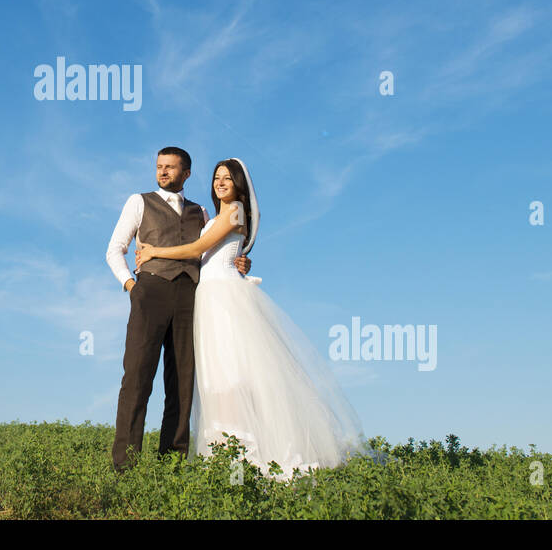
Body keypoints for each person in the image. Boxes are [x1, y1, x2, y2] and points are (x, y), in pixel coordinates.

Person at [135, 158, 372, 479]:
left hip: (225, 298)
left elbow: (198, 247)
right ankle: (224, 454)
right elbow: (210, 252)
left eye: (228, 180)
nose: (220, 183)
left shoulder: (234, 212)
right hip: (208, 296)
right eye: (217, 177)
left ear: (238, 186)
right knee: (216, 379)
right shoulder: (216, 214)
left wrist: (154, 252)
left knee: (235, 375)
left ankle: (248, 456)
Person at [106, 147, 250, 472]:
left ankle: (171, 466)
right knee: (138, 376)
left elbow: (212, 248)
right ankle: (124, 467)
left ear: (186, 174)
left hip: (190, 297)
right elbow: (115, 250)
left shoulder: (201, 212)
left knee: (183, 382)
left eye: (171, 167)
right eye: (159, 167)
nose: (163, 172)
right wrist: (132, 286)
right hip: (151, 291)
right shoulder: (138, 202)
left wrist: (241, 260)